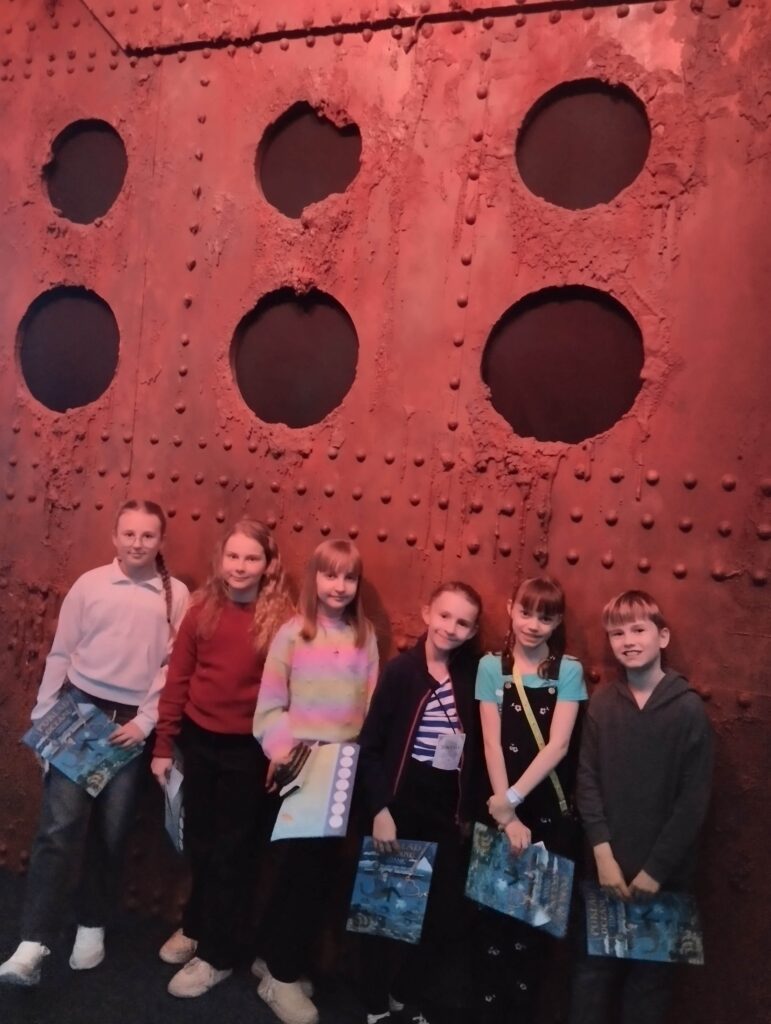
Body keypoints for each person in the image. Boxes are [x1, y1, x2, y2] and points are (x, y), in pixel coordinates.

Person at [0, 499, 188, 987]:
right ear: (114, 537)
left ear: (161, 541)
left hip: (129, 727)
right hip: (79, 715)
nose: (137, 543)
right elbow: (62, 653)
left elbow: (172, 670)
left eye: (148, 535)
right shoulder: (91, 585)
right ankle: (33, 942)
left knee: (112, 831)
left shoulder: (176, 596)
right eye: (129, 533)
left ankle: (91, 922)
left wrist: (146, 722)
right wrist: (45, 719)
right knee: (58, 828)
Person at [150, 518, 293, 998]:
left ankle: (218, 955)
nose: (240, 566)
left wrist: (278, 751)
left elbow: (291, 693)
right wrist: (164, 744)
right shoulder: (201, 609)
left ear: (268, 565)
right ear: (221, 559)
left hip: (248, 750)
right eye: (233, 556)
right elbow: (178, 680)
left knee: (235, 855)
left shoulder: (283, 620)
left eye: (252, 557)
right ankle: (197, 925)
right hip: (199, 743)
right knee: (201, 843)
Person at [568, 590, 713, 1024]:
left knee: (648, 991)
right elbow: (587, 781)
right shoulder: (602, 704)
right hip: (605, 872)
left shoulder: (688, 710)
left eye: (638, 630)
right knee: (591, 978)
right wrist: (602, 855)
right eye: (617, 633)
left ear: (662, 637)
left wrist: (656, 870)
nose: (628, 640)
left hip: (664, 880)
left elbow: (692, 801)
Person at [253, 539, 379, 1024]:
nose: (339, 586)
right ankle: (280, 977)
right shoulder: (292, 634)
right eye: (330, 575)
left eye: (349, 577)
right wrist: (283, 754)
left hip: (344, 769)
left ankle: (273, 958)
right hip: (303, 767)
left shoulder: (364, 635)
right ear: (314, 579)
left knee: (318, 874)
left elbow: (370, 705)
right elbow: (269, 707)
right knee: (299, 874)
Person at [357, 581, 483, 1024]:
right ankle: (374, 1005)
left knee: (441, 915)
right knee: (383, 911)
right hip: (400, 805)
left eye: (463, 622)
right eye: (444, 615)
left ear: (472, 631)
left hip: (445, 811)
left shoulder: (472, 677)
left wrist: (466, 812)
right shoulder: (402, 672)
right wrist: (380, 810)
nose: (451, 627)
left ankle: (402, 991)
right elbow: (370, 747)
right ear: (427, 613)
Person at [477, 575, 587, 1024]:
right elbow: (491, 743)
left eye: (545, 617)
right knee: (490, 924)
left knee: (534, 930)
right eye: (525, 612)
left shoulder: (569, 671)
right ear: (511, 608)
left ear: (557, 622)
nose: (532, 625)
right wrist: (506, 815)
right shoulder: (491, 667)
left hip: (545, 815)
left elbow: (558, 745)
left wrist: (514, 800)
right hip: (499, 811)